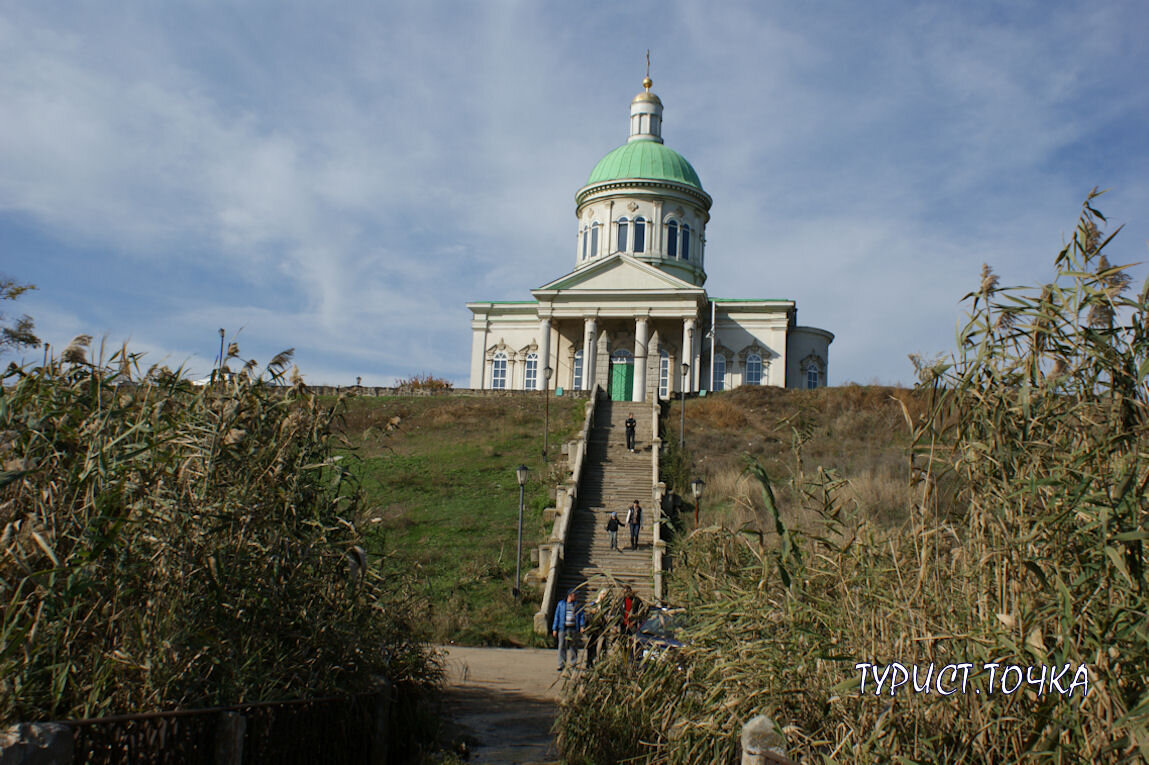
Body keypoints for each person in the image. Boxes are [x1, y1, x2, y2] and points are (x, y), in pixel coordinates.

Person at [551, 590, 585, 671]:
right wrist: (554, 628)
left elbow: (581, 616)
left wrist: (582, 626)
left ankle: (573, 664)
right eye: (575, 595)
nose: (577, 596)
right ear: (570, 595)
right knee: (562, 646)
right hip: (563, 628)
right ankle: (561, 664)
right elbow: (557, 616)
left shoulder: (578, 605)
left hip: (573, 628)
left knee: (573, 647)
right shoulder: (561, 604)